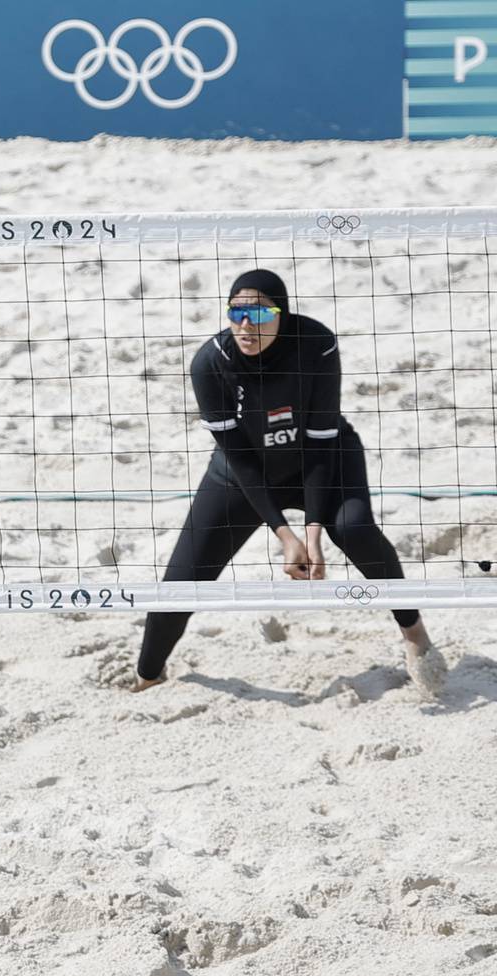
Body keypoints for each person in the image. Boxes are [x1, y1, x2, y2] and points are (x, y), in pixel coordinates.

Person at [133, 269, 448, 696]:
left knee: (354, 530)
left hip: (322, 456)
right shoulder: (210, 363)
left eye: (260, 314)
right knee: (179, 586)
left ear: (282, 314)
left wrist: (313, 534)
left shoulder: (316, 344)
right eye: (237, 313)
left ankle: (414, 634)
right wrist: (285, 534)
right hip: (245, 473)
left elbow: (320, 443)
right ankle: (148, 676)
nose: (246, 325)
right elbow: (240, 460)